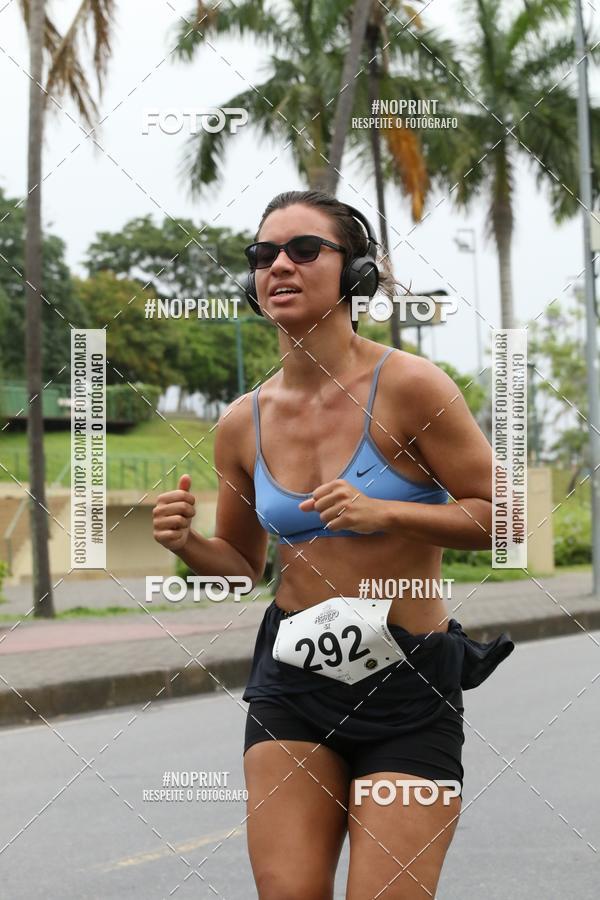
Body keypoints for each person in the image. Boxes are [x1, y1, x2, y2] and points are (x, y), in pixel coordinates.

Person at [152, 190, 514, 899]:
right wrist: (188, 545)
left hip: (409, 682)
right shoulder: (241, 422)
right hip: (293, 679)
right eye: (263, 255)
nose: (278, 265)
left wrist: (387, 514)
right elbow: (240, 566)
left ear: (354, 273)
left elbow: (505, 518)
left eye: (303, 249)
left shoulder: (409, 387)